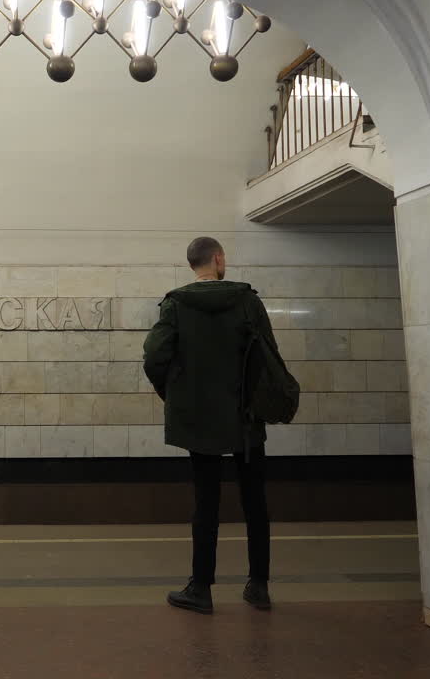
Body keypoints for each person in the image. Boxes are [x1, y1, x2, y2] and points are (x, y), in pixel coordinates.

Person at [142, 237, 278, 614]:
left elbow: (154, 356)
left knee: (206, 503)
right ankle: (259, 585)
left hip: (199, 418)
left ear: (192, 265)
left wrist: (175, 394)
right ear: (218, 259)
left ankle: (200, 588)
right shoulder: (248, 301)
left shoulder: (176, 305)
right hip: (246, 417)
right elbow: (269, 355)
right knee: (255, 501)